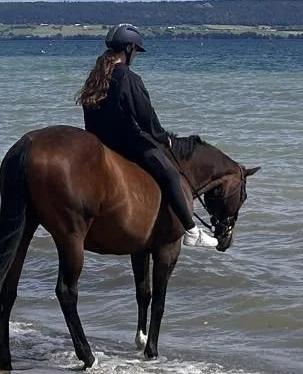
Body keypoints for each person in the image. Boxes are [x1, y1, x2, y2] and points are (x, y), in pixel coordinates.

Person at [78, 24, 209, 247]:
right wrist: (162, 137)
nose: (136, 56)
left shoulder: (95, 77)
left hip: (99, 144)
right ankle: (191, 230)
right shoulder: (129, 78)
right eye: (136, 51)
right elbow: (145, 116)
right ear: (129, 49)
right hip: (128, 143)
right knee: (170, 175)